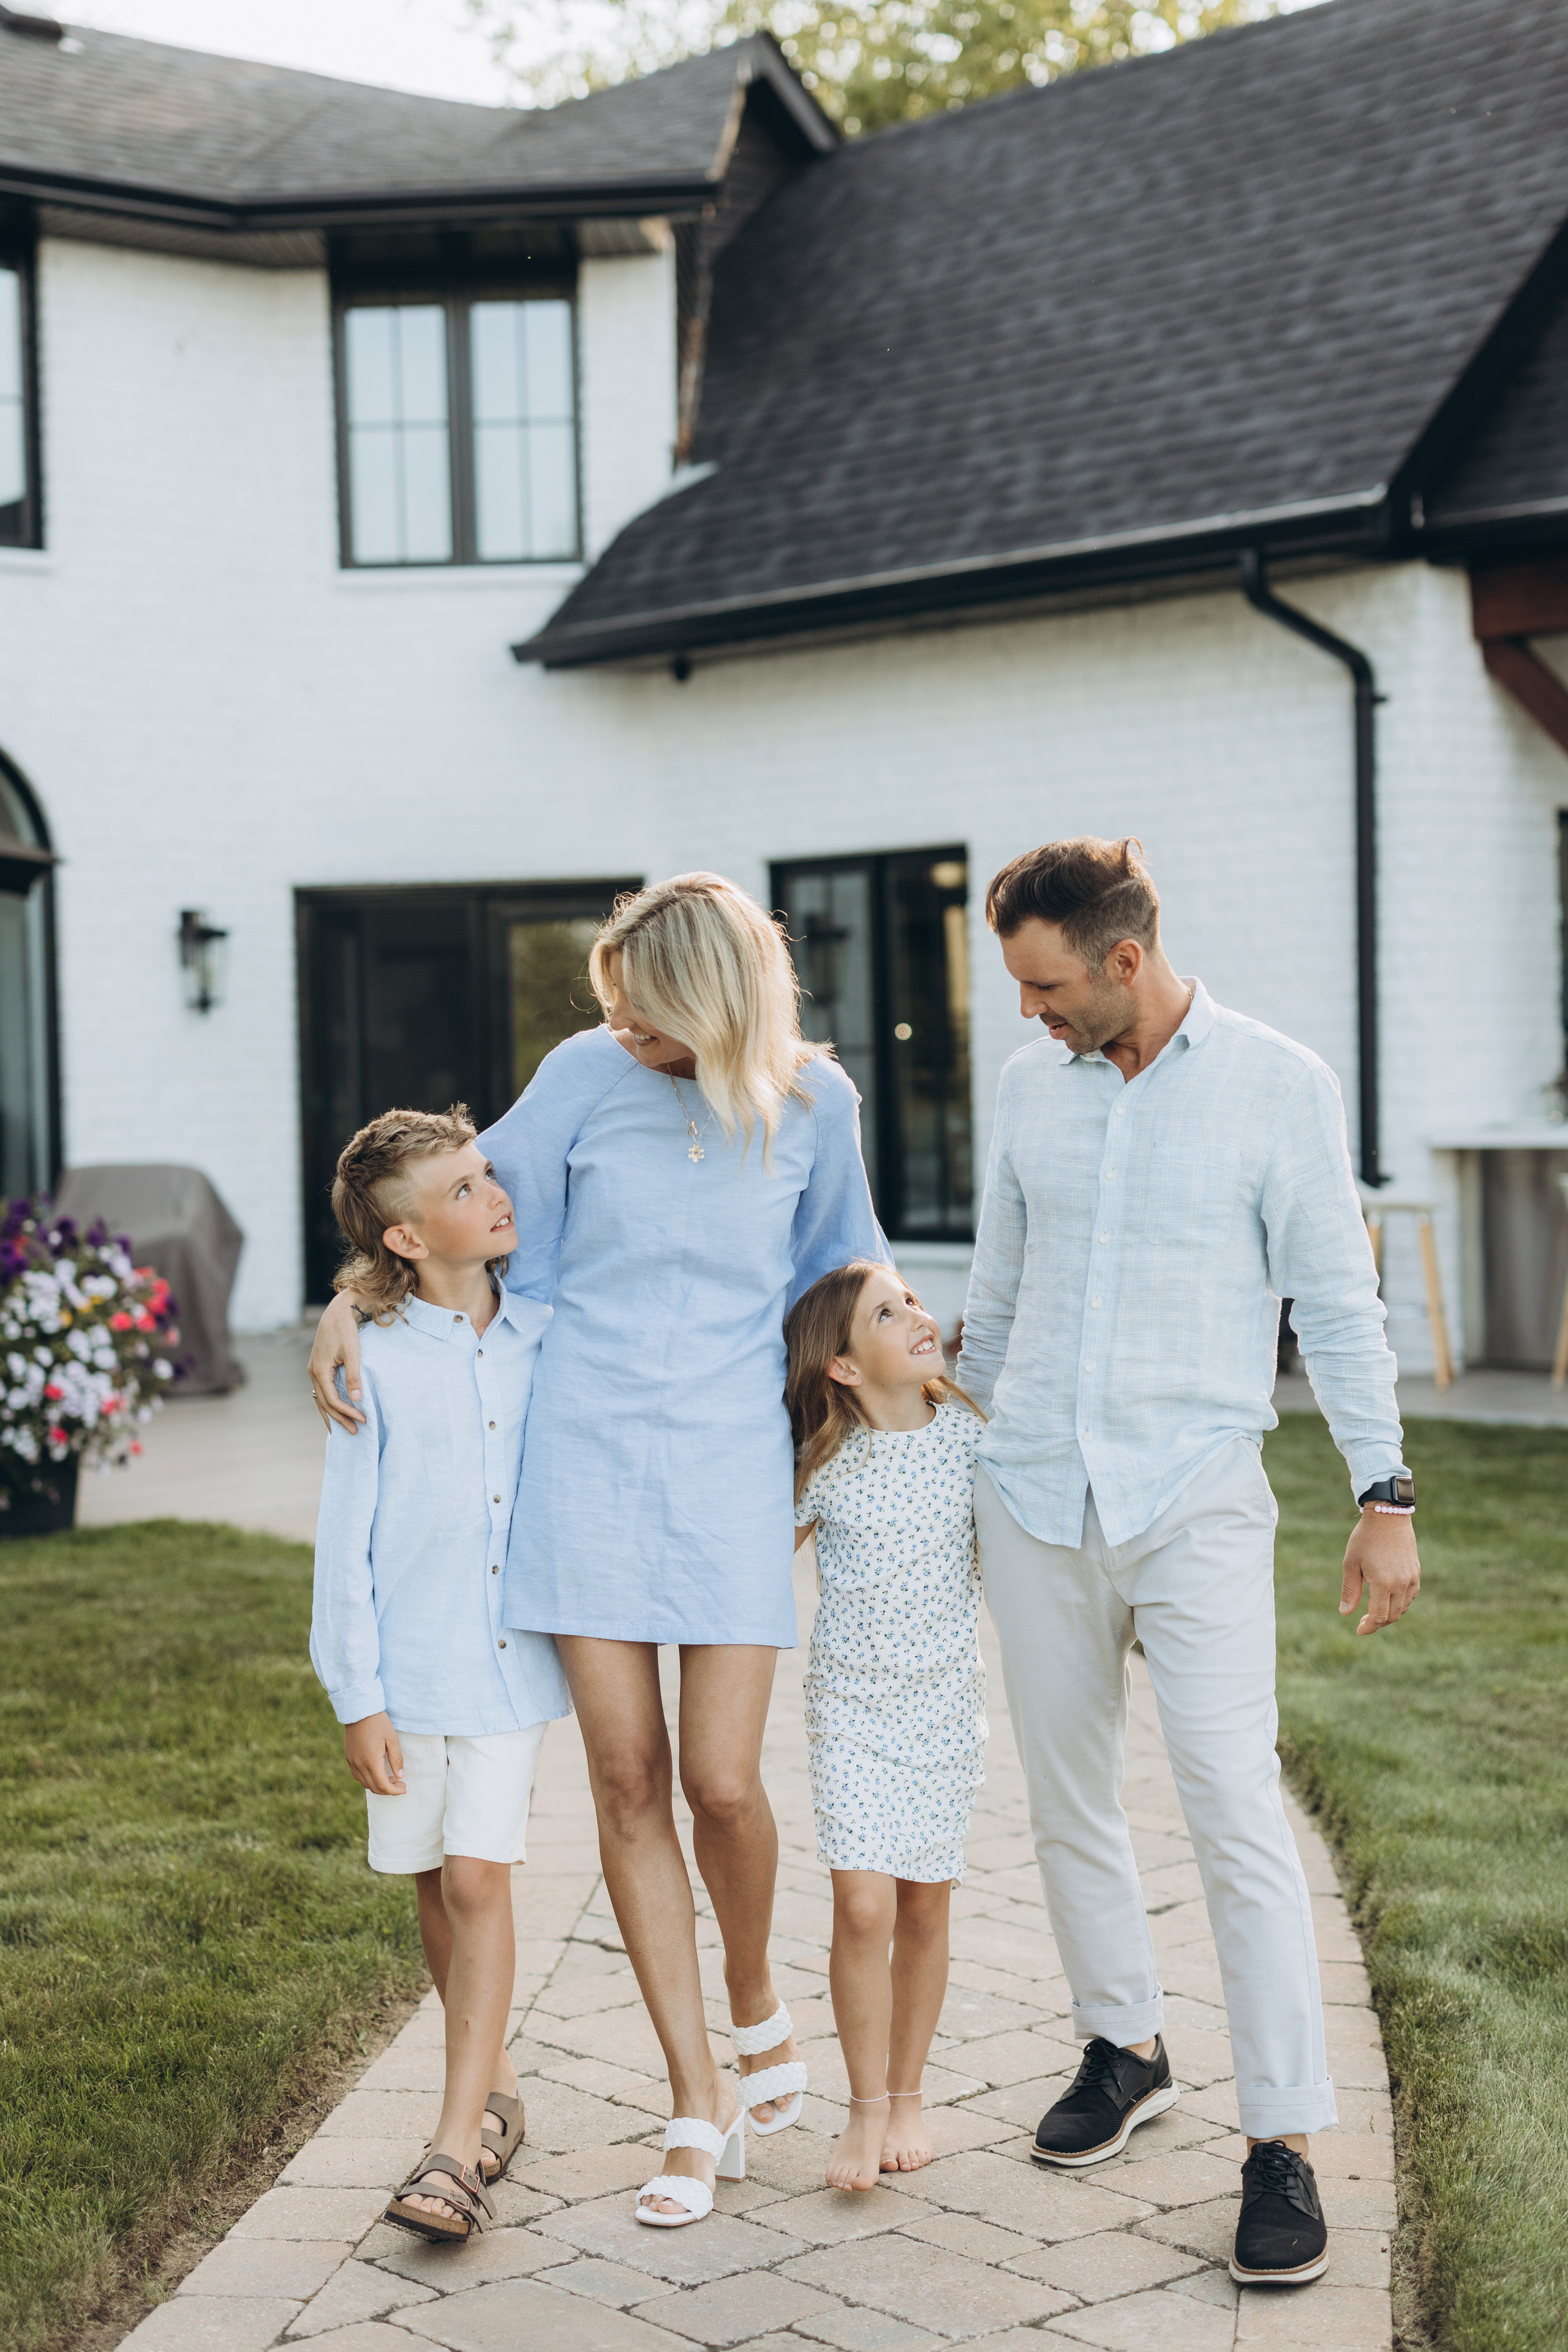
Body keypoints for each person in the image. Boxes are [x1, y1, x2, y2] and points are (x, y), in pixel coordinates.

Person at [309, 874, 887, 2230]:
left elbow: (841, 1279)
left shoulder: (816, 1104)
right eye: (612, 1010)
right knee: (627, 1781)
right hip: (577, 1460)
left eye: (642, 1011)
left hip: (729, 1472)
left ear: (715, 1001)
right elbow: (446, 1210)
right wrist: (351, 1299)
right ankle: (694, 2097)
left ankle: (752, 1987)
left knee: (722, 1785)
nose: (620, 1031)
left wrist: (851, 1432)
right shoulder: (580, 1076)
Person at [958, 836, 1420, 2291]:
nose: (1028, 1013)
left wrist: (1382, 1493)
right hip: (1034, 1490)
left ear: (1124, 959)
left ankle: (1280, 2139)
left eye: (1045, 987)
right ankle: (1123, 2044)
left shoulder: (1276, 1084)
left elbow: (1334, 1304)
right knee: (1065, 1796)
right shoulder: (1029, 1086)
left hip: (1193, 1495)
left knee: (1231, 1807)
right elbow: (994, 1296)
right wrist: (948, 1458)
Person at [309, 1107, 569, 2244]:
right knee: (431, 1883)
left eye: (485, 1173)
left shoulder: (548, 1330)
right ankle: (498, 2089)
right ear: (407, 1240)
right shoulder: (370, 1358)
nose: (494, 1194)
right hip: (407, 1668)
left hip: (511, 1668)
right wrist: (356, 1695)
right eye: (461, 1189)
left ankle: (455, 2147)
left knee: (476, 1882)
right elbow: (344, 1542)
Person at [785, 1260, 987, 2193]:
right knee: (863, 1906)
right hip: (853, 1714)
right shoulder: (825, 1465)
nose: (915, 1314)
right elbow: (753, 1560)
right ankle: (865, 2105)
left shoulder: (970, 1443)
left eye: (911, 1300)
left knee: (924, 1906)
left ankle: (908, 2095)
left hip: (942, 1712)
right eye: (886, 1312)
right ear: (844, 1367)